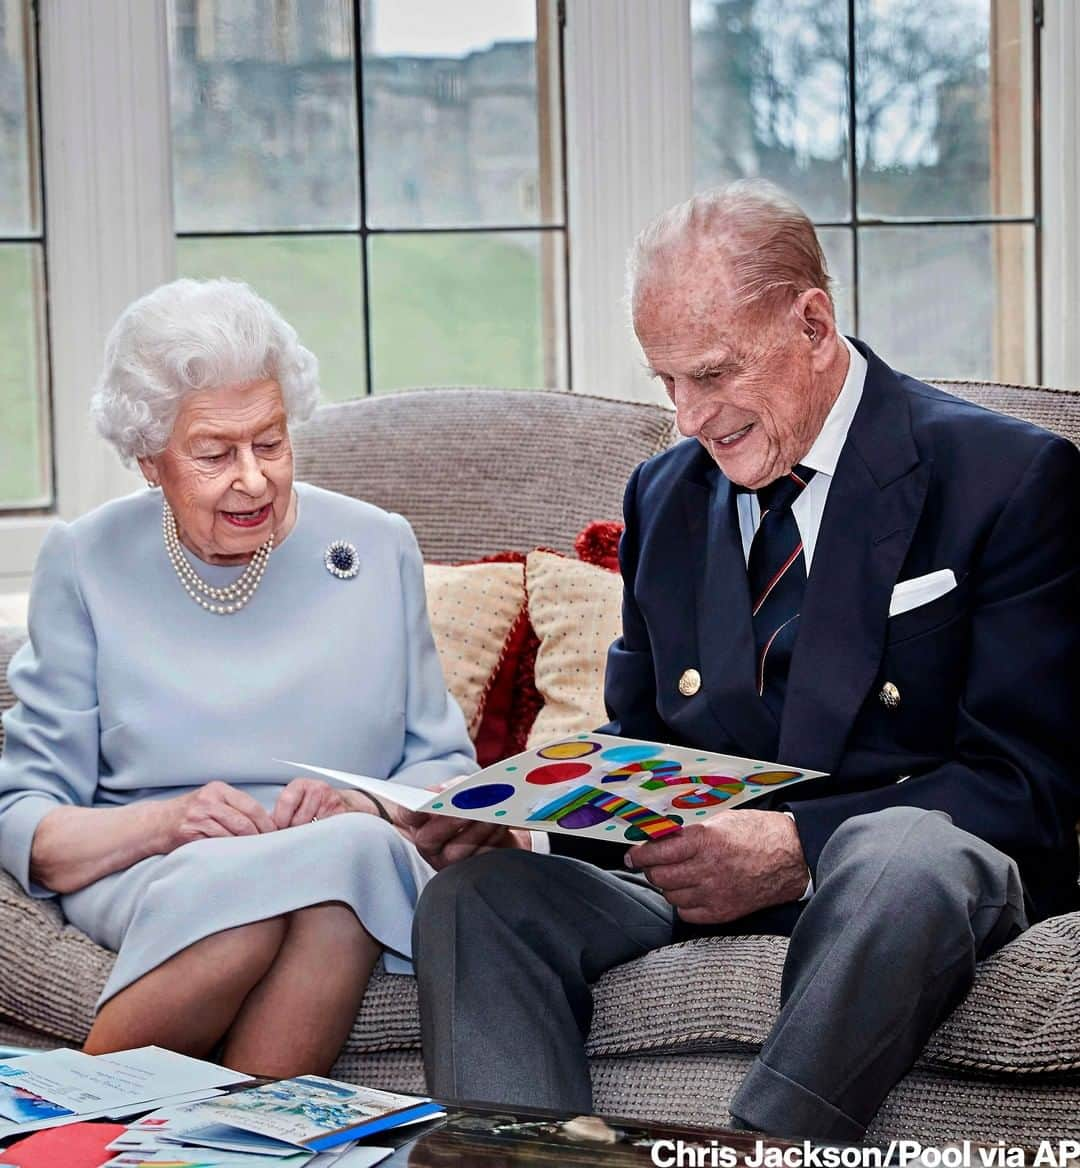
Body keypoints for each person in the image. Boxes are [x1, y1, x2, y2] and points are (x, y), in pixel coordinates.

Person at [407, 181, 1080, 1139]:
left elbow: (1029, 786)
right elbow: (642, 746)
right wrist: (529, 823)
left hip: (900, 891)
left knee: (900, 856)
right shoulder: (666, 495)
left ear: (813, 322)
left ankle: (763, 1152)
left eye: (714, 374)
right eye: (667, 381)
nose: (689, 417)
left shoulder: (1005, 478)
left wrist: (797, 849)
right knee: (481, 901)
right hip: (697, 885)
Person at [0, 277, 483, 1077]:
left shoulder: (376, 546)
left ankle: (68, 1132)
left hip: (343, 852)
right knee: (268, 905)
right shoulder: (84, 561)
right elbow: (28, 821)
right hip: (152, 863)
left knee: (342, 871)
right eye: (216, 453)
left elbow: (443, 771)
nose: (253, 478)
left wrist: (359, 801)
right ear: (151, 462)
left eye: (270, 441)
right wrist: (169, 822)